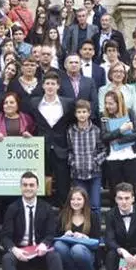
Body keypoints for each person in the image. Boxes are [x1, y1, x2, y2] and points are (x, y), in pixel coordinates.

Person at [1, 171, 67, 270]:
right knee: (7, 259)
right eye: (25, 185)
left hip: (40, 253)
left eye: (31, 185)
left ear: (37, 187)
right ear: (21, 187)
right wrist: (15, 250)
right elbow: (5, 237)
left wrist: (44, 244)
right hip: (20, 254)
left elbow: (51, 233)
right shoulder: (12, 208)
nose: (28, 188)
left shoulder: (47, 208)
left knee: (55, 257)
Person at [29, 71, 75, 206]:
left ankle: (63, 212)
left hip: (62, 148)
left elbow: (71, 122)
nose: (50, 86)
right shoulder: (34, 102)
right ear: (43, 86)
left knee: (63, 184)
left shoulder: (68, 103)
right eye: (47, 83)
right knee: (41, 182)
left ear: (58, 86)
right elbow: (30, 121)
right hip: (41, 148)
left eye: (53, 84)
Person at [54, 186, 101, 270]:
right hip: (69, 253)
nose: (75, 202)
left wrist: (85, 237)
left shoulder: (92, 215)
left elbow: (97, 240)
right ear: (69, 201)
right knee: (58, 245)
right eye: (73, 199)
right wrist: (65, 234)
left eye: (79, 199)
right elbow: (56, 236)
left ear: (85, 200)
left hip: (87, 253)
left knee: (77, 248)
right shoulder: (63, 215)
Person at [66, 99, 106, 218]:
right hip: (77, 174)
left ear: (89, 113)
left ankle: (96, 229)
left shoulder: (96, 130)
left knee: (95, 205)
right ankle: (83, 229)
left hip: (94, 173)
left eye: (84, 112)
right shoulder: (71, 131)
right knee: (80, 205)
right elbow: (69, 150)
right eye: (79, 112)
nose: (82, 115)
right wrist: (73, 163)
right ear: (75, 114)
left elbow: (103, 149)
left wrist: (96, 162)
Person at [101, 90, 136, 205]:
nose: (108, 106)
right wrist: (121, 130)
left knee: (133, 190)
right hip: (113, 157)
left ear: (119, 103)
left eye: (111, 103)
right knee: (114, 190)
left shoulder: (130, 112)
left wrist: (118, 139)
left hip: (130, 155)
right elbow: (104, 136)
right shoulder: (104, 116)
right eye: (106, 103)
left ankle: (135, 214)